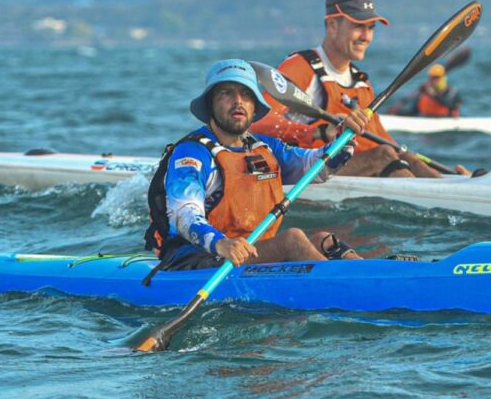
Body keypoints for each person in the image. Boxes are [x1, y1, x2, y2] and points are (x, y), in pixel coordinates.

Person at [145, 59, 371, 271]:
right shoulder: (192, 152)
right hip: (196, 259)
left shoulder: (266, 147)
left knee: (324, 240)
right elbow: (184, 215)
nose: (238, 101)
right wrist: (221, 243)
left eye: (246, 94)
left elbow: (318, 166)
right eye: (226, 93)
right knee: (292, 240)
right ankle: (344, 286)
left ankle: (374, 275)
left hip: (248, 253)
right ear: (211, 104)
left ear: (254, 106)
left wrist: (345, 136)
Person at [252, 0, 465, 178]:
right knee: (383, 156)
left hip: (344, 166)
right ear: (333, 25)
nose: (366, 36)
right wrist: (318, 132)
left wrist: (446, 178)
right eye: (358, 26)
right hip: (304, 169)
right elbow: (258, 124)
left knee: (397, 154)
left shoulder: (361, 83)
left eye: (371, 27)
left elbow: (387, 142)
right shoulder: (300, 67)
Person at [393, 63, 462, 117]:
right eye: (431, 77)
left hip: (443, 118)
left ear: (443, 78)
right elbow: (411, 104)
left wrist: (433, 94)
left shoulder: (451, 92)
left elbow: (448, 104)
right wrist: (397, 109)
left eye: (436, 77)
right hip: (426, 117)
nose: (433, 80)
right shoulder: (425, 89)